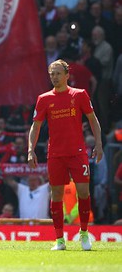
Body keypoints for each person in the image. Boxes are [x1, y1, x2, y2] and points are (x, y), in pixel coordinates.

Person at [28, 59, 103, 251]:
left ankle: (84, 234)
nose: (54, 77)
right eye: (52, 73)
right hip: (55, 153)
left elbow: (93, 120)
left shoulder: (79, 95)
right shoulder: (44, 99)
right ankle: (60, 240)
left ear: (67, 75)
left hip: (77, 152)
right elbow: (35, 126)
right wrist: (31, 149)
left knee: (84, 192)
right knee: (57, 196)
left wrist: (99, 144)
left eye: (58, 73)